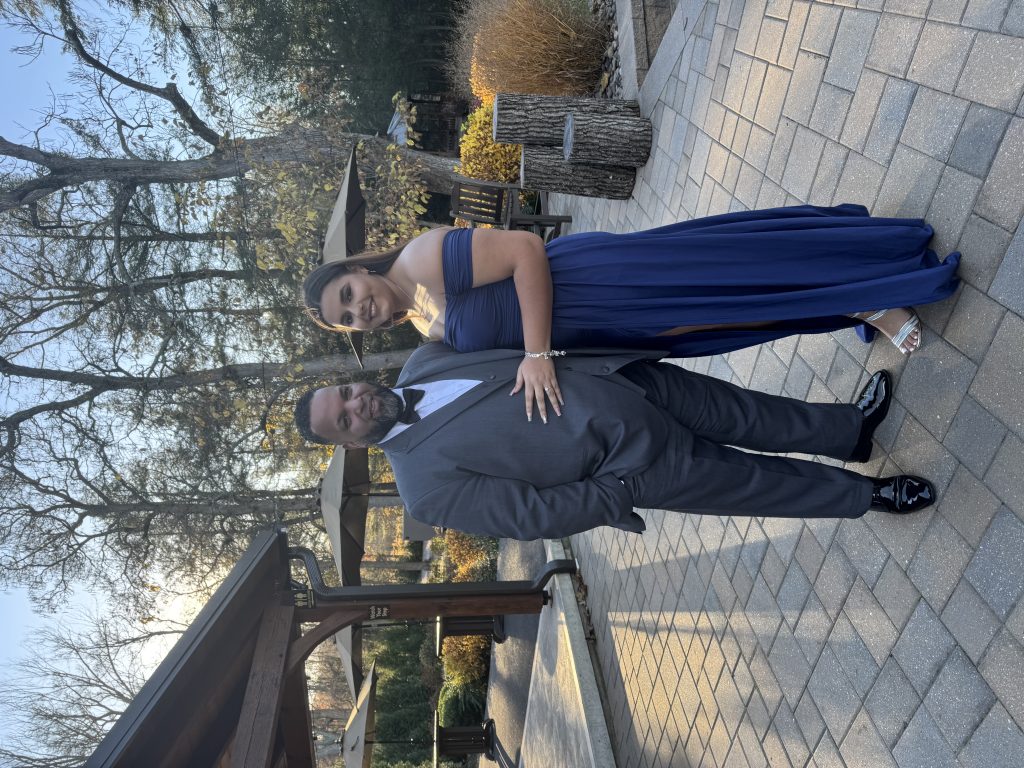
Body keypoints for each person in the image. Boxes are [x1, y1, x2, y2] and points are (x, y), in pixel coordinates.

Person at [302, 204, 960, 420]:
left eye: (350, 295)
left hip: (596, 282)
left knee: (729, 278)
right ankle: (854, 302)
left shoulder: (421, 261)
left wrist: (535, 354)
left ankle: (871, 292)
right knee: (729, 319)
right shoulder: (419, 320)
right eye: (349, 320)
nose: (361, 310)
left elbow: (528, 252)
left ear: (358, 270)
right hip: (600, 326)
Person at [293, 343, 934, 540]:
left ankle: (849, 430)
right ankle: (868, 495)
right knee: (763, 484)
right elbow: (528, 517)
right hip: (635, 466)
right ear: (350, 444)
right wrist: (615, 493)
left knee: (751, 411)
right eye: (344, 420)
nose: (357, 406)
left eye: (345, 394)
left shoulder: (424, 361)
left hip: (629, 382)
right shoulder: (422, 488)